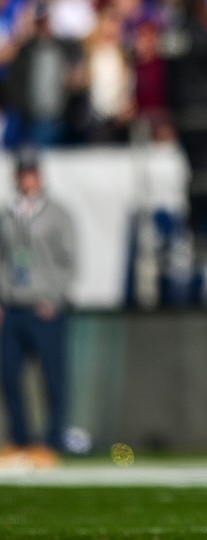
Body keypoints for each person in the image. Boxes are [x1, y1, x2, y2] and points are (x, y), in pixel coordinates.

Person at [0, 152, 76, 466]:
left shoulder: (57, 213)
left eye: (32, 173)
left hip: (45, 308)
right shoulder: (8, 213)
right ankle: (19, 438)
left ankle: (52, 439)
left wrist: (54, 296)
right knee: (9, 375)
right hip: (14, 306)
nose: (28, 179)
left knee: (52, 377)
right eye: (23, 173)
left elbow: (69, 260)